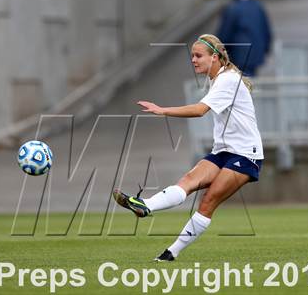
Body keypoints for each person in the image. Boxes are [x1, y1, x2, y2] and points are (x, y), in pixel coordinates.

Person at [112, 34, 264, 262]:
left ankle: (172, 251)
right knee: (187, 182)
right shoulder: (217, 79)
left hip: (246, 154)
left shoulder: (228, 79)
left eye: (198, 55)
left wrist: (162, 110)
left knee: (208, 201)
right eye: (192, 55)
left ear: (214, 57)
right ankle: (144, 206)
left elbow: (199, 110)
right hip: (223, 151)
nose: (193, 60)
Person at [216, 0, 272, 76]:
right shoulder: (257, 6)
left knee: (241, 84)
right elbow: (266, 31)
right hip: (256, 54)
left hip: (238, 55)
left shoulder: (232, 8)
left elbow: (224, 35)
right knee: (250, 82)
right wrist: (265, 49)